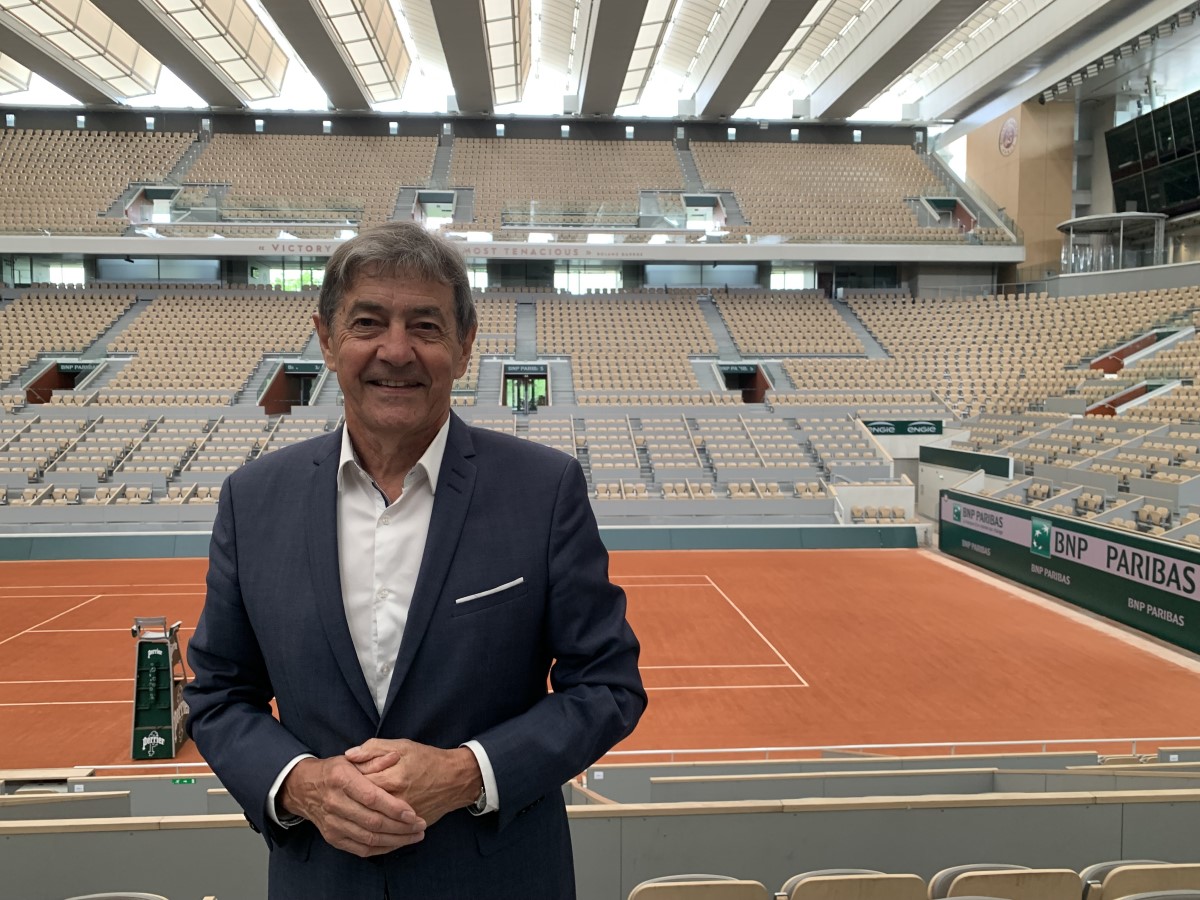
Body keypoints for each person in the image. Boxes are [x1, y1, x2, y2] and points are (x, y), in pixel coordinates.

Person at [183, 221, 646, 899]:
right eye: (369, 322)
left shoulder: (543, 490)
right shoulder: (253, 500)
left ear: (464, 348)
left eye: (425, 327)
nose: (395, 351)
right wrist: (301, 786)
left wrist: (468, 772)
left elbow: (608, 686)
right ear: (326, 339)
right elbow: (220, 694)